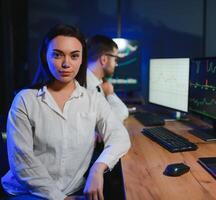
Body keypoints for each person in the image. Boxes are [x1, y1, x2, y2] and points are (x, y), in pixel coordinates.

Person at [1, 24, 131, 200]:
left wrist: (98, 168)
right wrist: (60, 198)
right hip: (28, 192)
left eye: (74, 56)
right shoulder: (26, 100)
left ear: (82, 59)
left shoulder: (93, 99)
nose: (66, 63)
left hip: (73, 191)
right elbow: (22, 162)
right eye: (57, 54)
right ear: (45, 56)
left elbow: (120, 137)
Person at [86, 35, 129, 122]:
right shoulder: (87, 87)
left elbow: (123, 111)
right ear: (104, 59)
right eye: (115, 59)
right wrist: (110, 94)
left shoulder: (99, 83)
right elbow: (114, 118)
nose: (116, 64)